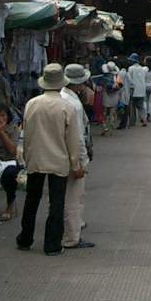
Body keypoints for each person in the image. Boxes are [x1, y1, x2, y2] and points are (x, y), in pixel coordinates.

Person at [17, 64, 84, 256]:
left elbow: (26, 132)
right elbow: (72, 140)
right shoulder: (67, 107)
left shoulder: (32, 104)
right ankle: (52, 244)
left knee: (32, 199)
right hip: (58, 160)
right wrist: (76, 164)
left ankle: (25, 238)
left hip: (36, 158)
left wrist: (25, 157)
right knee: (56, 203)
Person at [61, 64, 96, 249]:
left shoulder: (58, 98)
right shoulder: (74, 104)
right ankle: (72, 237)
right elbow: (79, 137)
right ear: (80, 84)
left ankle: (62, 231)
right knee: (74, 198)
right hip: (72, 156)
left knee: (59, 197)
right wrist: (81, 162)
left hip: (57, 156)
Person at [125, 53, 149, 128]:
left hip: (133, 90)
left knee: (132, 107)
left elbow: (129, 79)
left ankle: (132, 122)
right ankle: (143, 120)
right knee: (141, 107)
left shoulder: (131, 68)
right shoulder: (142, 68)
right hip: (141, 90)